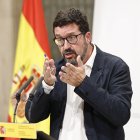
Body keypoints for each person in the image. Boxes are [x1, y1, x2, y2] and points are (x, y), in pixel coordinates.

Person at [25, 8, 133, 140]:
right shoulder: (57, 70)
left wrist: (83, 83)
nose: (65, 47)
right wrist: (47, 86)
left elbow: (121, 114)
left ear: (87, 37)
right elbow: (33, 116)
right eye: (60, 39)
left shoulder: (114, 67)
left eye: (71, 38)